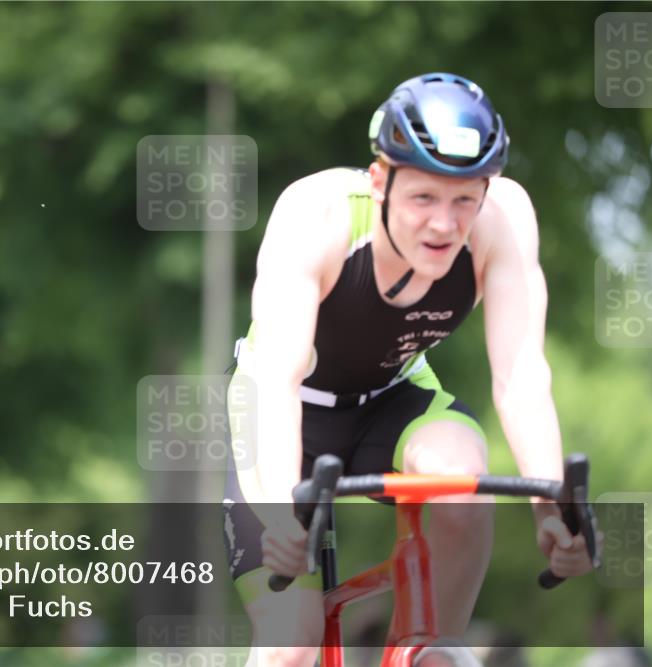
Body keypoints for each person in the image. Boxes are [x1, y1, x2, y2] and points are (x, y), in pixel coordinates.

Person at [222, 73, 597, 667]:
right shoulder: (317, 215)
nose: (445, 224)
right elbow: (276, 381)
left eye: (465, 199)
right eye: (424, 198)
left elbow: (522, 375)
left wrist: (550, 510)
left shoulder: (505, 219)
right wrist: (278, 514)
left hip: (392, 399)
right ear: (380, 182)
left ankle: (430, 649)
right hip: (283, 414)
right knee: (290, 644)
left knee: (462, 485)